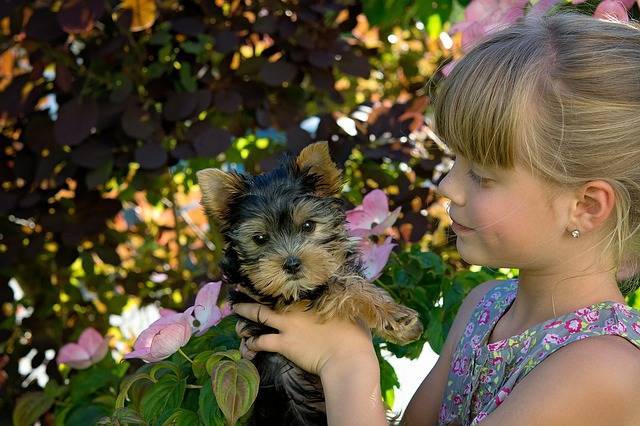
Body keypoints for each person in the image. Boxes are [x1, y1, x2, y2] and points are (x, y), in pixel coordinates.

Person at [232, 10, 640, 425]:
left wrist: (346, 362)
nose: (447, 186)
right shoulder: (487, 306)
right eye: (454, 161)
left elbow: (349, 370)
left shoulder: (602, 369)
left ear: (585, 207)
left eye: (481, 175)